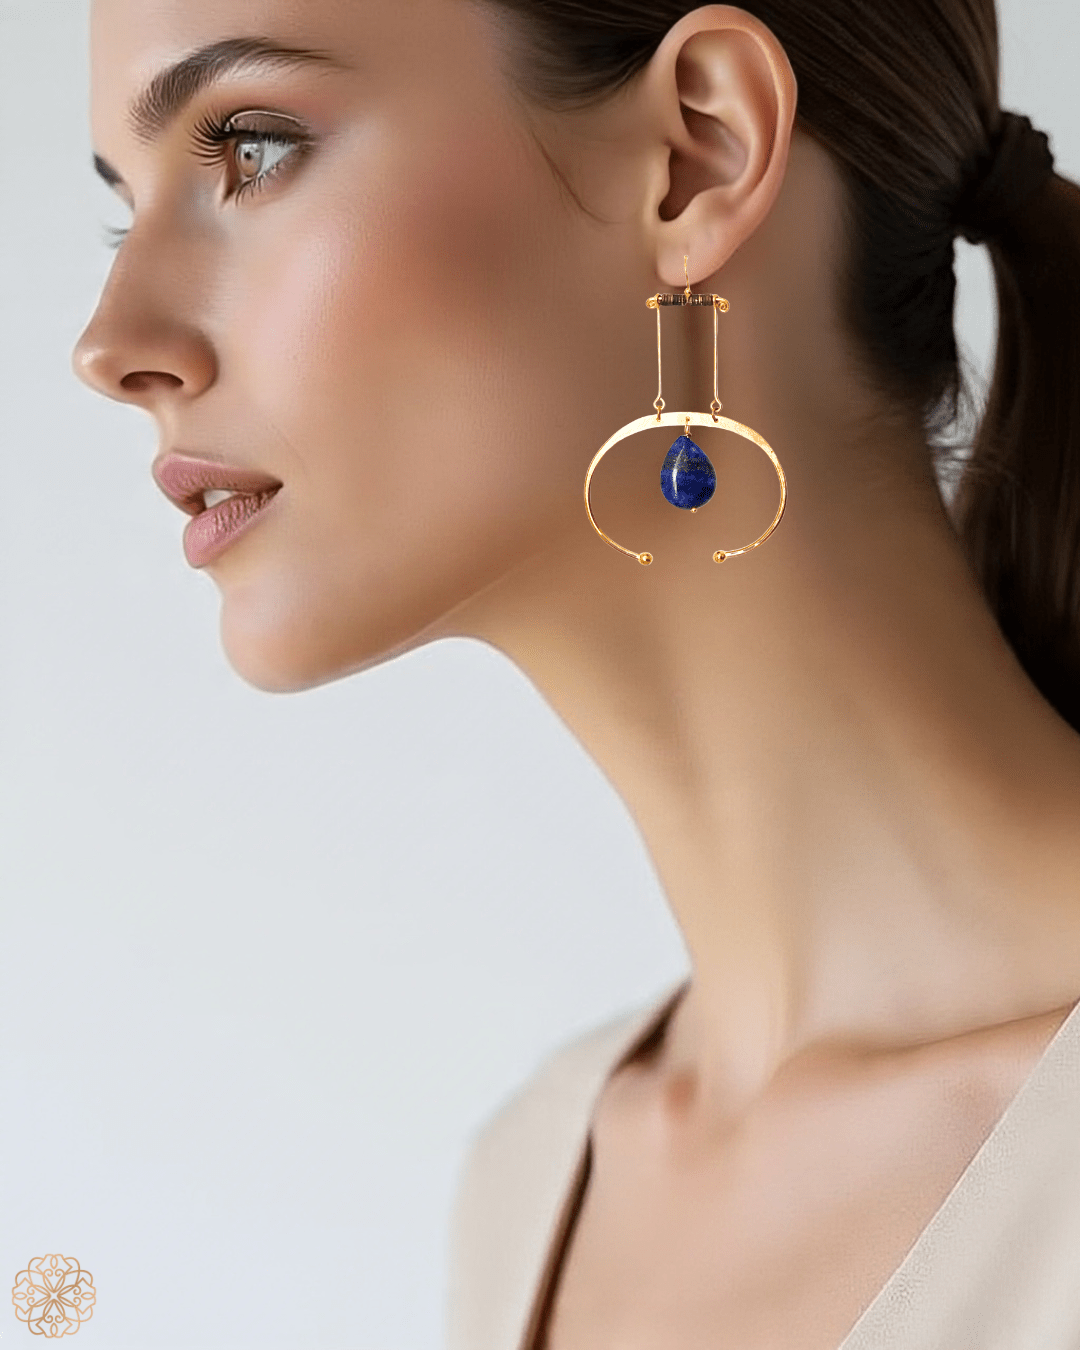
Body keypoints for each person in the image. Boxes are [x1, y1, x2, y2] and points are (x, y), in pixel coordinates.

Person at [72, 0, 1080, 1345]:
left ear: (697, 155)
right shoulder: (534, 1183)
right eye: (123, 211)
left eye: (250, 150)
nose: (110, 344)